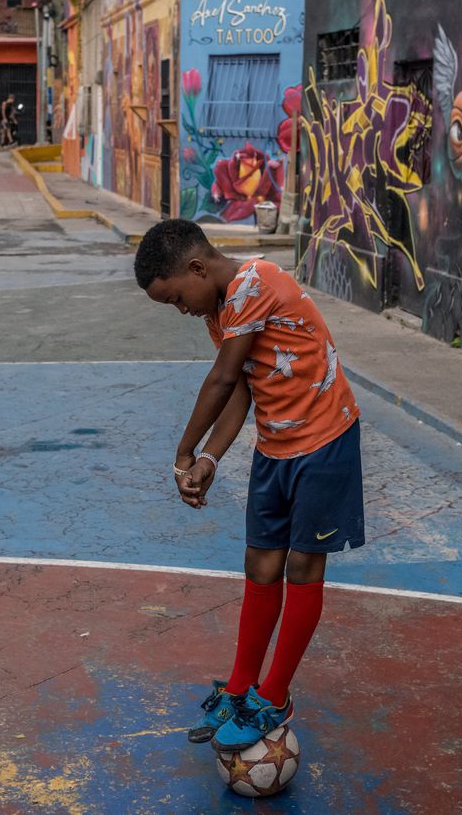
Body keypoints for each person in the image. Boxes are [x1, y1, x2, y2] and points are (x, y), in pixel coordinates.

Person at [134, 219, 364, 753]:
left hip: (324, 441)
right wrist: (213, 456)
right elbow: (241, 387)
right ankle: (240, 688)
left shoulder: (254, 283)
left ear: (196, 268)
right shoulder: (221, 310)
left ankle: (274, 695)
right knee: (260, 564)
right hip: (276, 447)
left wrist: (184, 452)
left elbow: (218, 380)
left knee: (303, 565)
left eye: (175, 299)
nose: (181, 310)